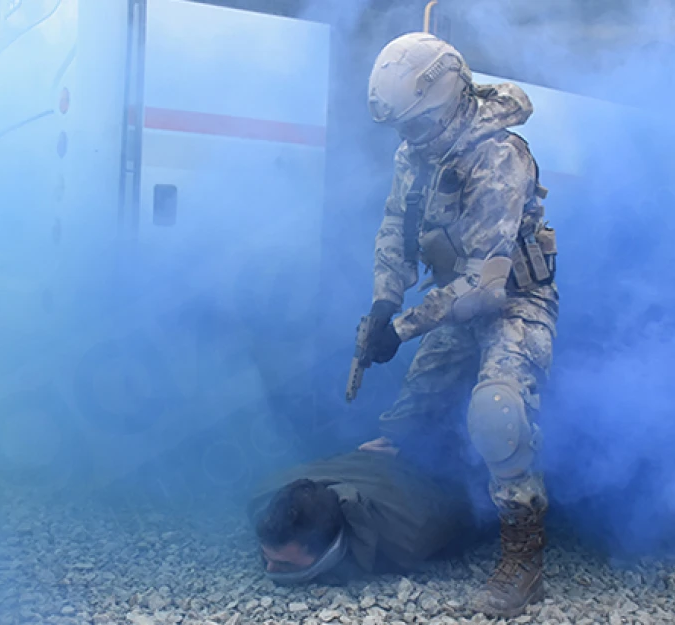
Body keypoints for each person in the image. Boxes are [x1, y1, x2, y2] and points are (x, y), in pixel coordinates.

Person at [357, 32, 559, 617]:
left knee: (496, 412)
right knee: (405, 423)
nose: (407, 138)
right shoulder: (415, 149)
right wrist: (383, 301)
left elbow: (484, 283)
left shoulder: (500, 156)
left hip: (511, 299)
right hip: (454, 300)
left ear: (447, 103)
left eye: (416, 125)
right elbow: (395, 225)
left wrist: (403, 328)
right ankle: (414, 506)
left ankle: (524, 560)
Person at [247, 449, 480, 584]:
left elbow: (466, 511)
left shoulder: (410, 536)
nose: (270, 570)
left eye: (285, 564)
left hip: (426, 464)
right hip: (363, 459)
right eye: (267, 557)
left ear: (330, 550)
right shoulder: (261, 497)